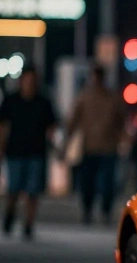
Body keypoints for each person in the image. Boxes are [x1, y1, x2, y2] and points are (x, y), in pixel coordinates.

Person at [65, 65, 128, 225]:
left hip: (108, 147)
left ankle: (105, 211)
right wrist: (67, 141)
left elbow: (122, 122)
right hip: (89, 147)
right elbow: (73, 121)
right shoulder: (84, 97)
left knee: (107, 183)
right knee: (87, 183)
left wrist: (124, 139)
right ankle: (88, 210)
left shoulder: (112, 98)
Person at [0, 67, 58, 240]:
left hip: (36, 152)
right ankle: (9, 216)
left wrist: (56, 146)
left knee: (33, 191)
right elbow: (3, 127)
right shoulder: (11, 101)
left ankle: (28, 224)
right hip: (15, 152)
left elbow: (51, 127)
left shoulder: (43, 102)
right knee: (14, 189)